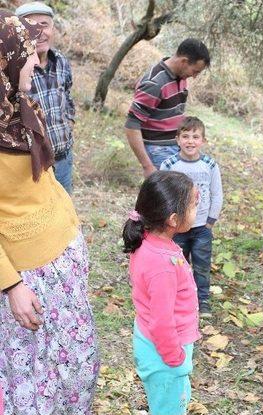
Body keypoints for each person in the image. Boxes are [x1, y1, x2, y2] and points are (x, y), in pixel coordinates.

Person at [0, 11, 99, 413]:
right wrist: (11, 286)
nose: (34, 64)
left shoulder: (21, 106)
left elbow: (48, 178)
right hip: (25, 277)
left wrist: (72, 228)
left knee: (75, 368)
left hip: (62, 260)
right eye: (26, 57)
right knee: (30, 382)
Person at [123, 171, 201, 415]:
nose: (197, 209)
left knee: (174, 401)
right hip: (165, 355)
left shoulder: (150, 242)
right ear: (173, 219)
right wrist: (175, 359)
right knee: (168, 408)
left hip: (159, 349)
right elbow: (162, 320)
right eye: (194, 205)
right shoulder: (161, 265)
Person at [160, 116, 223, 318]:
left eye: (195, 137)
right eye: (185, 136)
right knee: (178, 264)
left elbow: (217, 193)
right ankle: (179, 299)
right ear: (177, 139)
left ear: (202, 141)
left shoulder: (209, 165)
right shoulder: (169, 165)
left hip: (201, 227)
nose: (190, 141)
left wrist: (211, 220)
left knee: (202, 264)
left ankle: (203, 300)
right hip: (177, 228)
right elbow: (162, 193)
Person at [125, 38, 210, 177]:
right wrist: (147, 166)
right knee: (171, 196)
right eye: (195, 71)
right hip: (158, 150)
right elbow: (131, 125)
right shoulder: (154, 83)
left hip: (175, 145)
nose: (194, 76)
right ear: (183, 61)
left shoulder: (180, 78)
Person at [15, 2, 76, 193]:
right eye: (30, 26)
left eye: (44, 25)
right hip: (32, 165)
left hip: (64, 158)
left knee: (65, 213)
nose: (39, 32)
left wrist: (70, 121)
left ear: (53, 29)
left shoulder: (61, 62)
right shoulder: (15, 69)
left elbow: (67, 96)